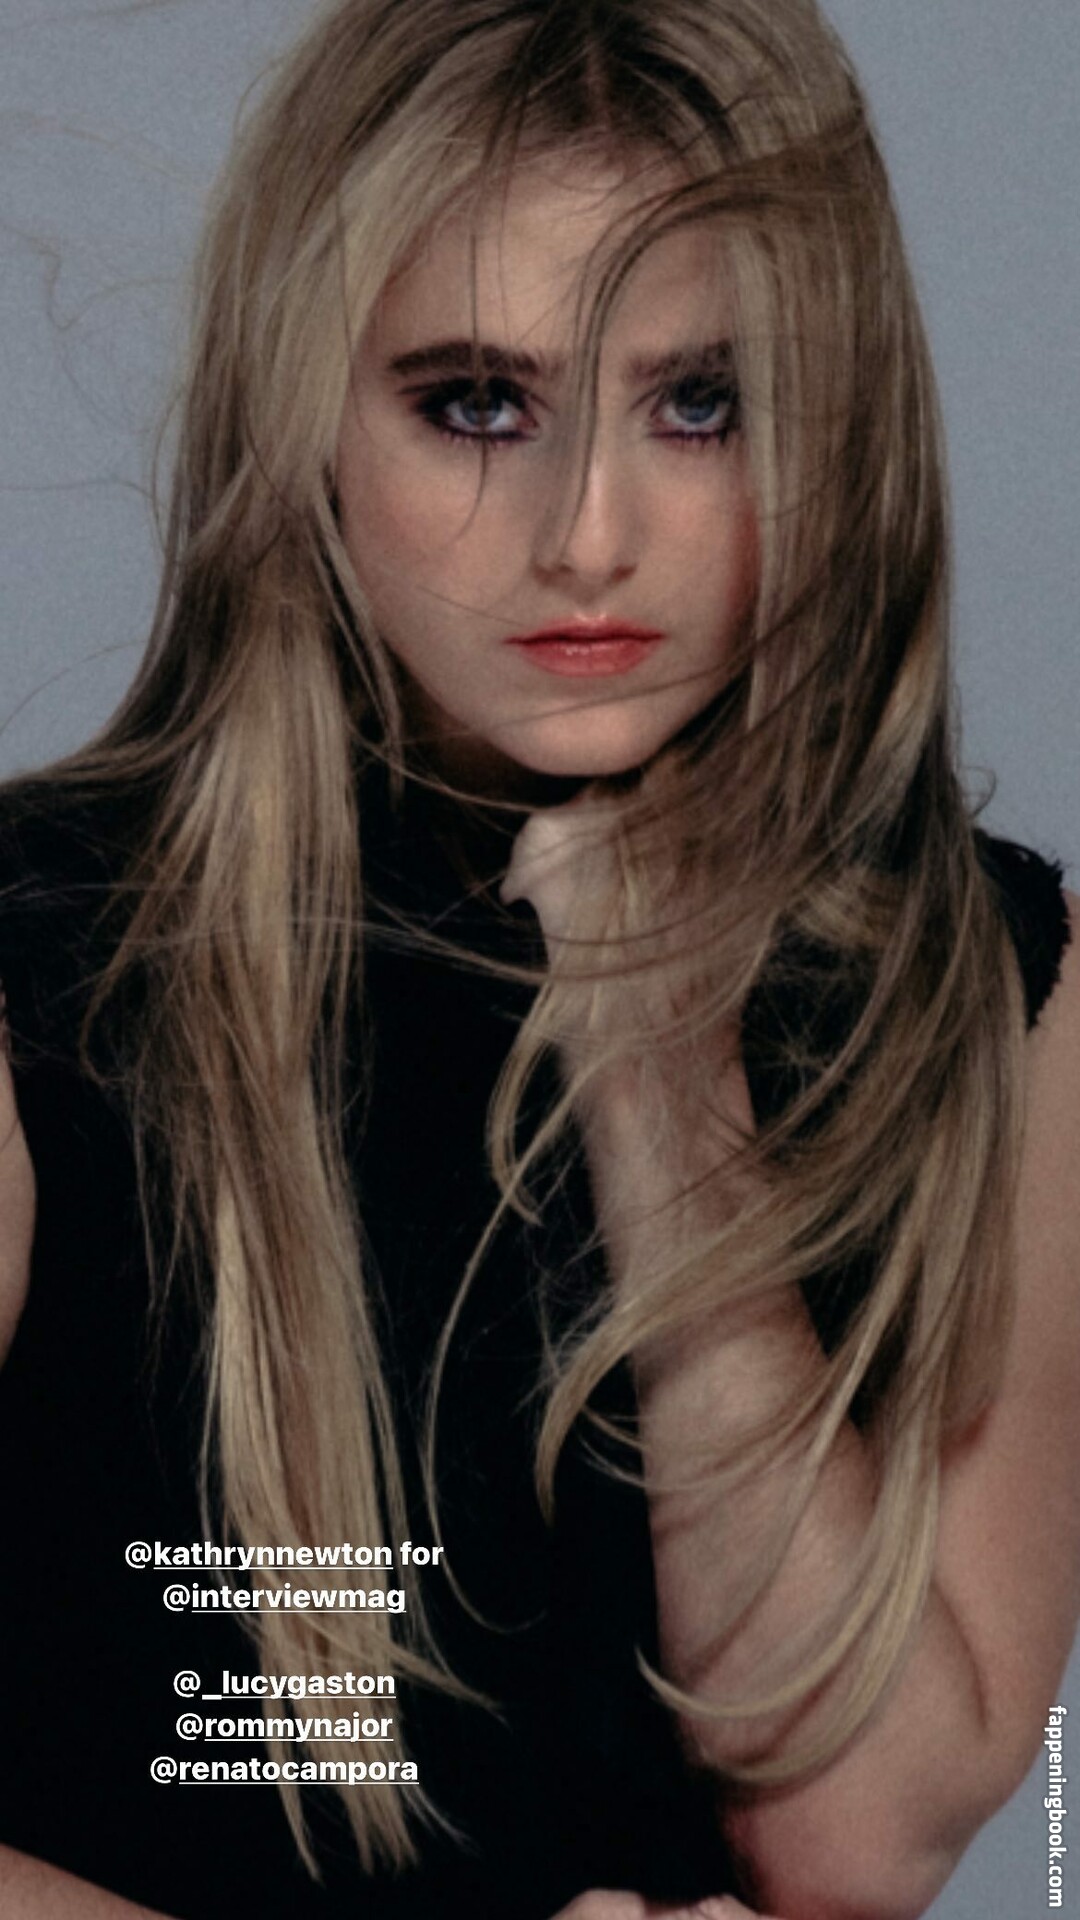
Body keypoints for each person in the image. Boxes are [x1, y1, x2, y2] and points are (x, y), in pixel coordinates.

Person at [0, 1, 1076, 1917]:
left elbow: (854, 1838)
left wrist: (665, 1069)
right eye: (477, 405)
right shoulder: (41, 961)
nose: (589, 536)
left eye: (702, 405)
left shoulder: (991, 987)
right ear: (304, 416)